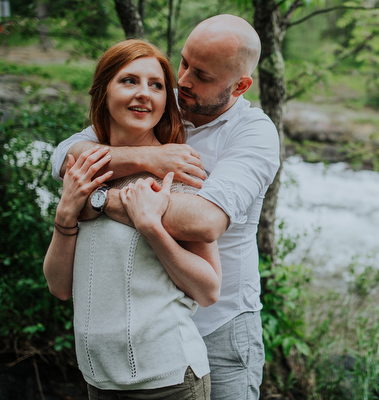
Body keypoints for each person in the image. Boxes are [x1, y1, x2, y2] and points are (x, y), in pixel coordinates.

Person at [51, 14, 281, 400]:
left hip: (220, 322)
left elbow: (204, 221)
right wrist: (147, 159)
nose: (184, 80)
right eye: (185, 62)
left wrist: (100, 198)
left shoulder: (254, 134)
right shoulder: (158, 101)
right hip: (145, 327)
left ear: (240, 85)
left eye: (203, 75)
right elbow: (66, 156)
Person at [44, 39, 222, 399]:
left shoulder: (177, 174)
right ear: (103, 90)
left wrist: (152, 229)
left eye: (156, 85)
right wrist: (65, 216)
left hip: (169, 381)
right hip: (99, 380)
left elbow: (208, 289)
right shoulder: (83, 174)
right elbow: (60, 287)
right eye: (129, 81)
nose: (144, 94)